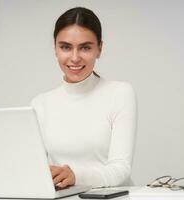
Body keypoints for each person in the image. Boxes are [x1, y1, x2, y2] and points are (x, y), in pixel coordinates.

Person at [31, 7, 137, 189]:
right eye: (65, 47)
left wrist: (75, 176)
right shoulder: (40, 104)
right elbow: (33, 170)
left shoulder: (119, 93)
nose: (74, 58)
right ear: (55, 48)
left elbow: (121, 169)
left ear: (99, 49)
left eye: (85, 48)